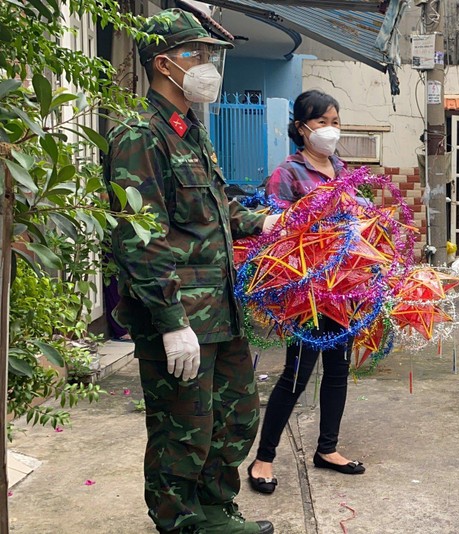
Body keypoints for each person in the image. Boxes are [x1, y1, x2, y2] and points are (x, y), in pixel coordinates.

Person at [104, 9, 279, 534]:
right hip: (180, 316)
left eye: (208, 54)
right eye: (195, 54)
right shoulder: (140, 136)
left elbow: (216, 210)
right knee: (183, 427)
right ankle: (179, 520)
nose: (207, 65)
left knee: (237, 415)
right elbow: (140, 237)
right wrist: (170, 321)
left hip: (220, 310)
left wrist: (269, 222)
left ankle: (216, 508)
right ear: (164, 63)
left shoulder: (191, 132)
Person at [246, 90, 365, 497]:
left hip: (345, 287)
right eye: (321, 122)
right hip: (307, 292)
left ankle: (327, 449)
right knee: (297, 374)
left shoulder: (341, 168)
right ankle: (263, 458)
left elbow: (357, 212)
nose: (331, 130)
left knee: (338, 370)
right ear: (301, 128)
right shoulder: (288, 173)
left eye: (335, 121)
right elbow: (276, 231)